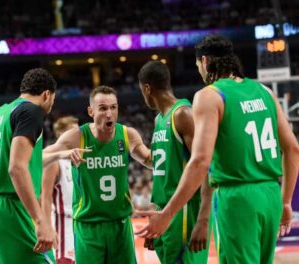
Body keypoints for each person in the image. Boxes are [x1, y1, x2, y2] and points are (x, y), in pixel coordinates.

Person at [136, 35, 299, 263]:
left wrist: (167, 214)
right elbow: (292, 148)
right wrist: (285, 201)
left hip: (238, 198)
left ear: (204, 61)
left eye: (197, 66)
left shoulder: (209, 95)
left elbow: (201, 162)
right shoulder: (265, 91)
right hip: (271, 193)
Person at [0, 68, 79, 264]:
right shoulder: (31, 111)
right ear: (47, 94)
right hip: (12, 208)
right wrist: (41, 220)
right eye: (53, 99)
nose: (52, 104)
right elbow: (16, 168)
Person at [44, 85, 152, 264]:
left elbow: (149, 160)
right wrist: (62, 154)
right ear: (91, 111)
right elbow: (37, 159)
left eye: (113, 107)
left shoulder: (127, 134)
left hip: (120, 224)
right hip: (88, 226)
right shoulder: (77, 136)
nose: (109, 113)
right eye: (102, 108)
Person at [137, 61, 211, 263]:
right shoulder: (159, 119)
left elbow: (205, 167)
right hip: (165, 211)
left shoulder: (183, 114)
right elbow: (164, 171)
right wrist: (157, 216)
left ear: (147, 88)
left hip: (184, 210)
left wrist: (203, 219)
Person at [41, 116, 79, 264]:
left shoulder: (79, 158)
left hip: (80, 224)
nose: (77, 136)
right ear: (61, 135)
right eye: (72, 132)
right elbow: (45, 196)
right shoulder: (54, 161)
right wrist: (47, 227)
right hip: (62, 225)